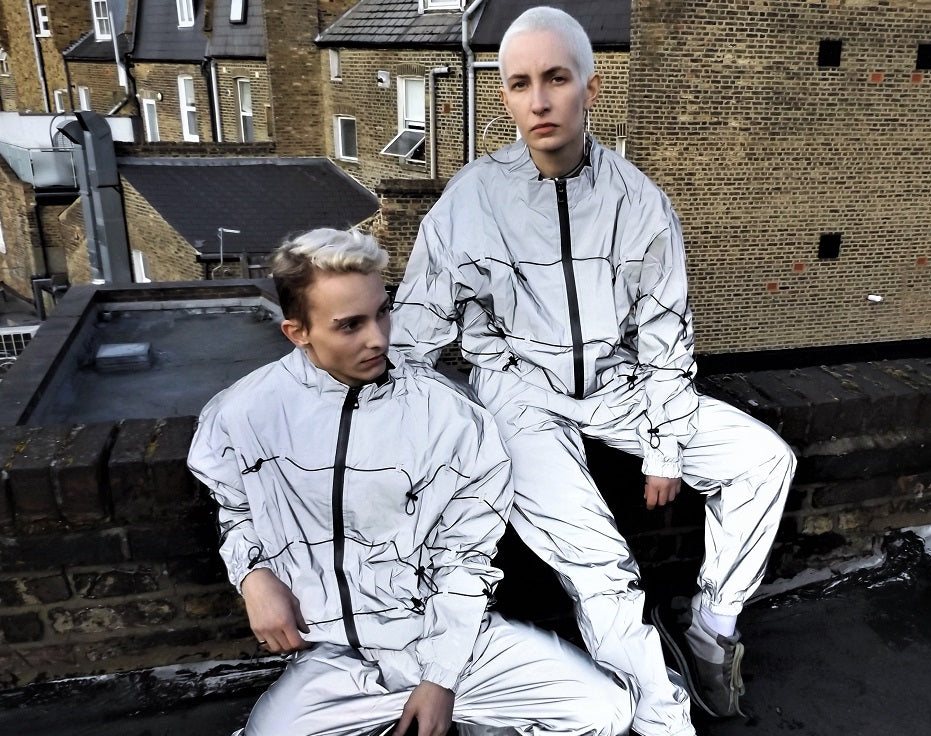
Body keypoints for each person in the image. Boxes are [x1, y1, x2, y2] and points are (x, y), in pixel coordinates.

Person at [391, 6, 797, 732]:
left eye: (555, 78)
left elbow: (666, 337)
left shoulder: (639, 202)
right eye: (519, 84)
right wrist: (419, 442)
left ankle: (710, 629)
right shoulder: (471, 202)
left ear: (591, 87)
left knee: (764, 461)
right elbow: (412, 339)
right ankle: (662, 720)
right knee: (601, 565)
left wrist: (665, 447)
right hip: (519, 394)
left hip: (618, 385)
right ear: (504, 94)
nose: (538, 101)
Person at [189, 228, 632, 736]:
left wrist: (440, 678)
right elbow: (236, 508)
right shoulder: (243, 413)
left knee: (604, 711)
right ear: (298, 332)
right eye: (350, 325)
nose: (378, 338)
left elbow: (466, 555)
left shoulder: (451, 416)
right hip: (334, 655)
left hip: (452, 641)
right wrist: (254, 577)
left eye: (383, 312)